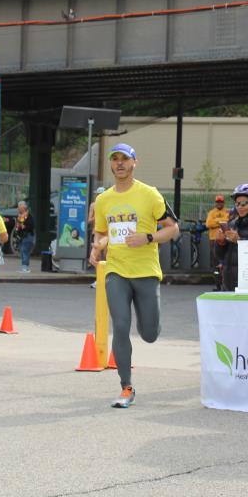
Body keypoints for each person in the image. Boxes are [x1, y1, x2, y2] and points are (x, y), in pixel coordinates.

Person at [89, 143, 179, 409]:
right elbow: (102, 232)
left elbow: (173, 229)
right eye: (115, 159)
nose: (119, 163)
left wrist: (147, 237)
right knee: (120, 325)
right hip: (116, 270)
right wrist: (98, 246)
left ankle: (148, 323)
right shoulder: (104, 200)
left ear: (134, 163)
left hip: (146, 271)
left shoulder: (150, 194)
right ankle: (126, 387)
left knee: (149, 333)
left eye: (124, 159)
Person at [204, 195, 230, 290]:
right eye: (217, 202)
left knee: (226, 262)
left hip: (225, 240)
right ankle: (217, 285)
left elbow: (228, 222)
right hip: (213, 240)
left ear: (223, 203)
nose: (219, 203)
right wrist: (221, 222)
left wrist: (216, 221)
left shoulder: (227, 212)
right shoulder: (211, 212)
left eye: (221, 202)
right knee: (215, 264)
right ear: (215, 203)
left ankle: (225, 285)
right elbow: (208, 224)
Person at [87, 186, 106, 289]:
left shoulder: (109, 203)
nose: (99, 196)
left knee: (106, 257)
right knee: (96, 257)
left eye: (101, 194)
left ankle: (106, 279)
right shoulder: (93, 205)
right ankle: (98, 279)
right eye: (98, 194)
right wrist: (97, 215)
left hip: (107, 234)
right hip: (97, 233)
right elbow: (89, 220)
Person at [14, 200, 35, 273]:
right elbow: (17, 226)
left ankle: (25, 267)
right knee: (22, 251)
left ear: (23, 207)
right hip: (21, 236)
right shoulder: (19, 216)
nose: (18, 208)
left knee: (25, 251)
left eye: (19, 207)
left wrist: (23, 226)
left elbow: (31, 226)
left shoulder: (29, 216)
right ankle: (24, 267)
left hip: (28, 236)